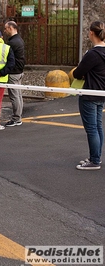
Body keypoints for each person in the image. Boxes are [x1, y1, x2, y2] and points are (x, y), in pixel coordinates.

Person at [73, 21, 105, 170]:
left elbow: (78, 73)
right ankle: (96, 157)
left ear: (91, 33)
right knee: (98, 127)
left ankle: (94, 160)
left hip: (89, 93)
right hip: (101, 93)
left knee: (92, 128)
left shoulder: (92, 54)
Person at [4, 21, 25, 127]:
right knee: (18, 94)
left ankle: (16, 118)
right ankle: (18, 116)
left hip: (14, 72)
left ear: (11, 28)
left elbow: (9, 58)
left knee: (14, 95)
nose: (5, 31)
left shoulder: (13, 43)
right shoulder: (19, 40)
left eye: (6, 28)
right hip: (19, 71)